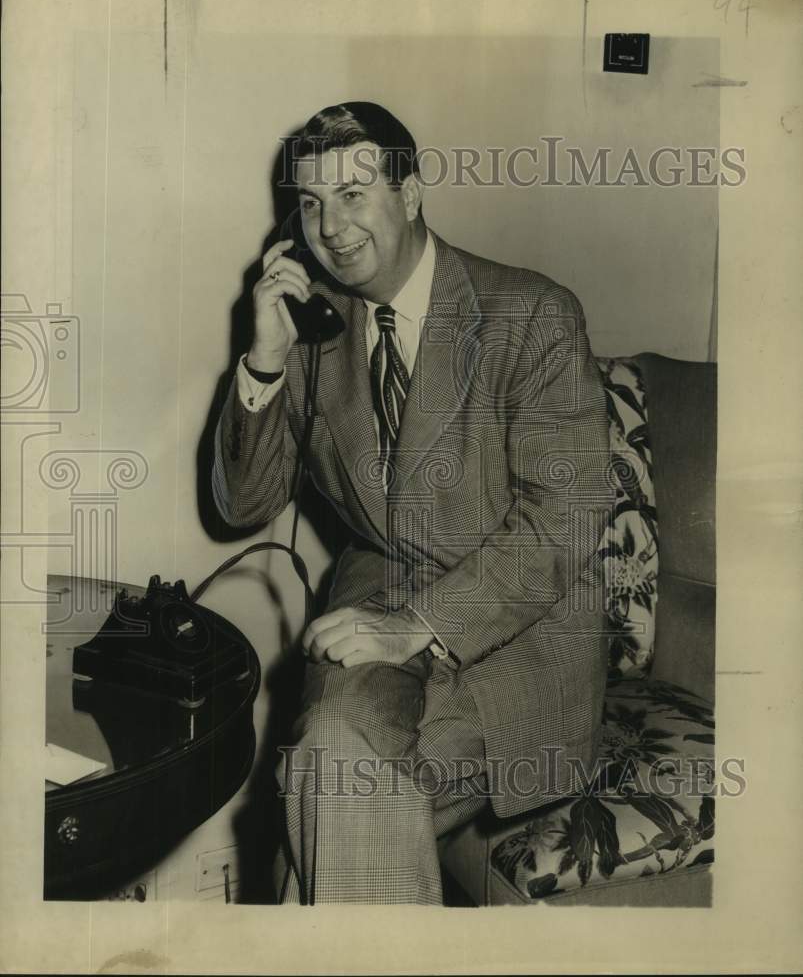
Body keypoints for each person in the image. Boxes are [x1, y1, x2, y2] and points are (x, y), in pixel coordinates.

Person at [213, 101, 612, 905]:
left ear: (414, 192)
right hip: (377, 590)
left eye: (354, 194)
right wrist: (263, 358)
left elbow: (564, 518)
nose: (330, 227)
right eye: (312, 203)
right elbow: (242, 506)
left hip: (521, 627)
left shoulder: (529, 313)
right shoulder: (312, 330)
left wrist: (416, 627)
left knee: (325, 795)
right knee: (332, 760)